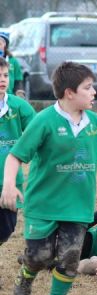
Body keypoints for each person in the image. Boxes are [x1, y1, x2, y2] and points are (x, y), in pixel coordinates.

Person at [0, 61, 97, 295]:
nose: (94, 92)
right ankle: (27, 274)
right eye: (88, 87)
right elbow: (15, 156)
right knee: (39, 257)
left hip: (78, 206)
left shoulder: (95, 123)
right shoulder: (44, 121)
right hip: (43, 204)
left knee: (70, 259)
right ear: (69, 93)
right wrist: (8, 184)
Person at [0, 56, 36, 249]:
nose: (3, 79)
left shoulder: (19, 106)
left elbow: (37, 132)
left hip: (11, 181)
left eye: (5, 75)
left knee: (7, 228)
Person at [0, 32, 25, 98]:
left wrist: (19, 92)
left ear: (5, 46)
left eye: (0, 44)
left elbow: (18, 80)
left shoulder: (13, 61)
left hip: (9, 96)